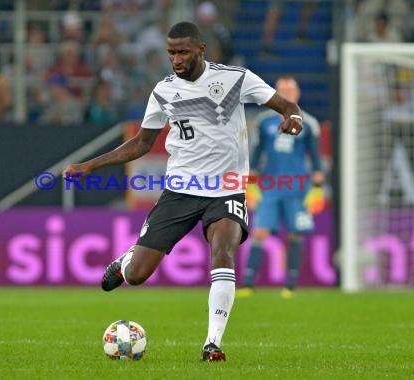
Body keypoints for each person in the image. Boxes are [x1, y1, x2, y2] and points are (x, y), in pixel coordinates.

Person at [62, 22, 303, 362]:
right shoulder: (163, 91)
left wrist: (295, 118)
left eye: (183, 52)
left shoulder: (236, 78)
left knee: (223, 251)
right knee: (137, 275)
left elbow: (286, 106)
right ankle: (126, 260)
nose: (176, 59)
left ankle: (212, 344)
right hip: (181, 190)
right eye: (171, 52)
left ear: (201, 50)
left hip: (227, 189)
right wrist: (91, 165)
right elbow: (141, 144)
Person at [236, 76, 324, 300]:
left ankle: (291, 285)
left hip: (298, 188)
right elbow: (256, 154)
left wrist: (317, 188)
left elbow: (315, 158)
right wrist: (250, 184)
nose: (286, 94)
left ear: (298, 94)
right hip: (270, 187)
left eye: (290, 90)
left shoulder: (309, 122)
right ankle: (247, 284)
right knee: (259, 232)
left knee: (295, 234)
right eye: (281, 90)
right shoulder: (264, 121)